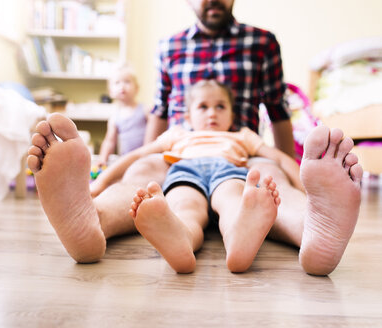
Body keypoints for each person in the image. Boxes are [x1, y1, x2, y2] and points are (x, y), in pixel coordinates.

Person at [27, 0, 363, 276]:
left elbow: (277, 111)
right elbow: (158, 111)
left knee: (268, 179)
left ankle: (312, 227)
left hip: (242, 158)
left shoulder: (263, 42)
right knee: (144, 177)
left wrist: (303, 178)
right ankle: (91, 220)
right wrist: (115, 175)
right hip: (179, 153)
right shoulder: (169, 46)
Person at [124, 80, 301, 273]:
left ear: (232, 115)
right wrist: (100, 184)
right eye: (203, 107)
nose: (212, 113)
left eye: (220, 106)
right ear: (188, 117)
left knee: (232, 201)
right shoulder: (177, 134)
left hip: (228, 171)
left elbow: (280, 159)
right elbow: (136, 155)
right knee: (185, 206)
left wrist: (303, 188)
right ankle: (181, 239)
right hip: (186, 171)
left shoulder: (242, 135)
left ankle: (238, 238)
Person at [96, 64, 147, 168]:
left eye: (127, 82)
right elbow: (109, 141)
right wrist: (102, 159)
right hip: (125, 161)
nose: (122, 86)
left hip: (144, 159)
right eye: (117, 83)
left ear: (137, 88)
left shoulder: (145, 110)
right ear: (110, 92)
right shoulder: (115, 117)